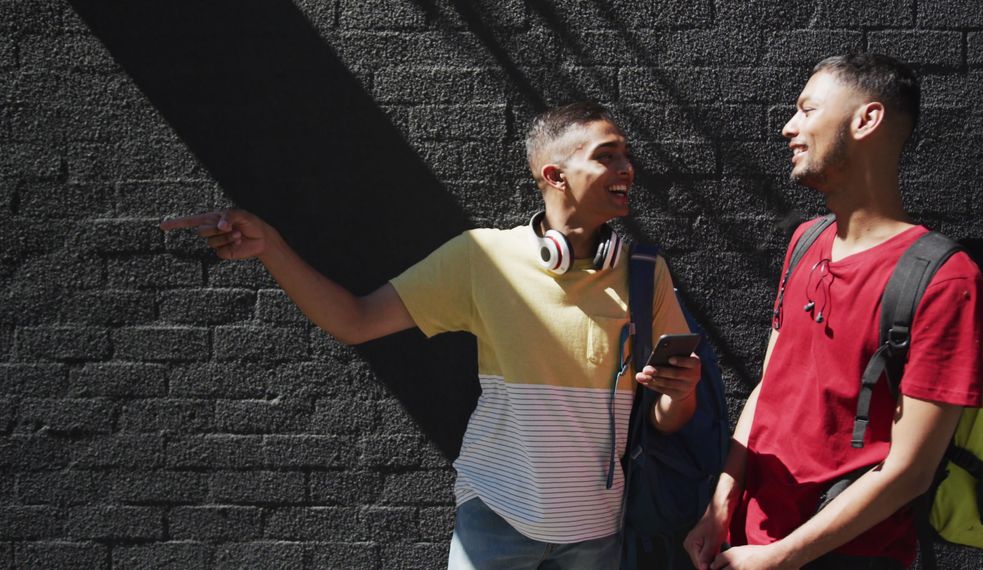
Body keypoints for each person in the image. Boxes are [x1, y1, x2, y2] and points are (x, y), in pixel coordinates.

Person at [161, 102, 701, 570]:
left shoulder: (643, 273)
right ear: (556, 176)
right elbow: (355, 320)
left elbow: (665, 418)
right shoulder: (482, 258)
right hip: (495, 518)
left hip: (597, 532)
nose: (627, 167)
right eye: (608, 155)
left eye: (627, 155)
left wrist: (681, 393)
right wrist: (271, 248)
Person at [683, 54, 983, 569]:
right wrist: (721, 501)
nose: (788, 127)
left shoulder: (945, 279)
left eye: (807, 109)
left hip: (843, 556)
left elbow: (911, 470)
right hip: (747, 543)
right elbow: (769, 386)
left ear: (866, 120)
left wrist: (782, 557)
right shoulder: (807, 240)